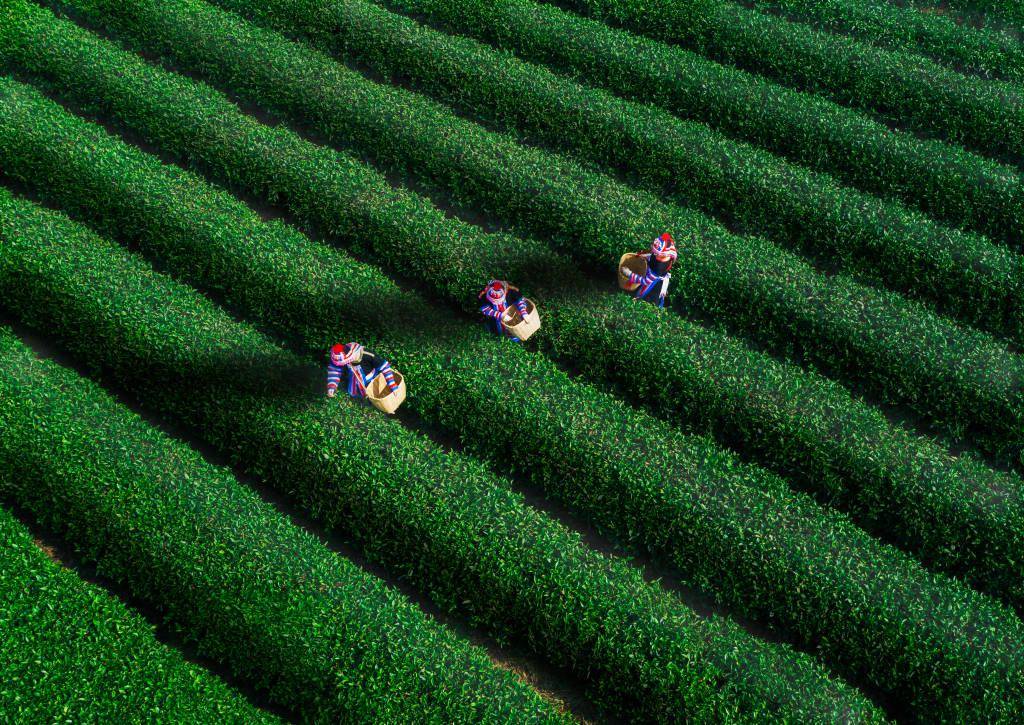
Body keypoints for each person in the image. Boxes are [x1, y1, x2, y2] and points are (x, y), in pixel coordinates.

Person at [326, 342, 398, 399]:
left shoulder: (369, 355)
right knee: (355, 393)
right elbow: (334, 370)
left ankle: (371, 400)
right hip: (354, 380)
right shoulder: (342, 356)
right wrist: (332, 386)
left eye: (344, 363)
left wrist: (392, 386)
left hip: (371, 380)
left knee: (374, 394)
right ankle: (357, 398)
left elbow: (385, 368)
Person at [622, 232, 677, 308]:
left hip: (653, 284)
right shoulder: (660, 256)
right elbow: (652, 256)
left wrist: (629, 274)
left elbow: (646, 281)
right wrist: (644, 256)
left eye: (657, 254)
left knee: (648, 301)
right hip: (651, 276)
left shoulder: (659, 268)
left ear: (665, 255)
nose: (655, 255)